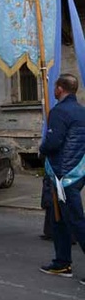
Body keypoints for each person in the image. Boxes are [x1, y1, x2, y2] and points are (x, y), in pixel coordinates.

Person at [39, 74, 85, 281]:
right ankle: (61, 262)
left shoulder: (58, 111)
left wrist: (42, 148)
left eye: (55, 86)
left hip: (64, 173)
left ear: (59, 89)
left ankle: (63, 262)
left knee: (75, 220)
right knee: (59, 219)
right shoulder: (81, 111)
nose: (54, 90)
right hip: (79, 169)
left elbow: (53, 143)